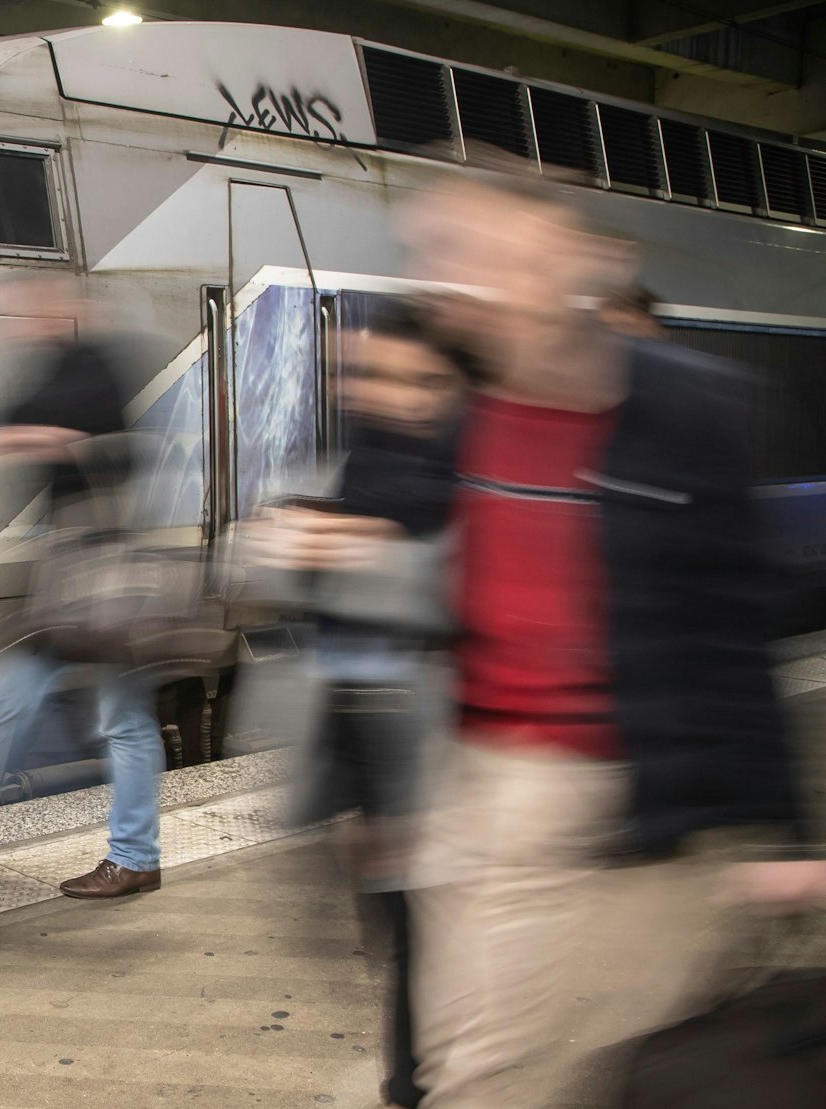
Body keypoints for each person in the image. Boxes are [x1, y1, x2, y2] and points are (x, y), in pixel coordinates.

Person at [346, 169, 826, 1106]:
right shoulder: (464, 404)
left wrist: (785, 837)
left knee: (501, 1073)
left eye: (494, 257)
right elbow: (402, 518)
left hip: (612, 793)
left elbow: (731, 629)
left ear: (575, 267)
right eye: (446, 257)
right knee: (465, 1056)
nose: (466, 283)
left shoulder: (685, 406)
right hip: (476, 780)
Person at [234, 302, 469, 1109]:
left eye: (400, 376)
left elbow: (466, 587)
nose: (371, 391)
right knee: (399, 922)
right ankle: (415, 1070)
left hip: (438, 739)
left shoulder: (470, 462)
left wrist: (358, 546)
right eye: (357, 374)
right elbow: (276, 570)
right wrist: (292, 543)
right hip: (358, 729)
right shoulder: (357, 459)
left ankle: (418, 1078)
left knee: (428, 923)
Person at [0, 275, 167, 899]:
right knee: (31, 700)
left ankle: (133, 856)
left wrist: (28, 438)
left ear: (57, 311)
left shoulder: (95, 365)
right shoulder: (56, 366)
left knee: (109, 717)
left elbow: (81, 441)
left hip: (98, 573)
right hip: (73, 572)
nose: (7, 327)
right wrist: (20, 435)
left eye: (18, 314)